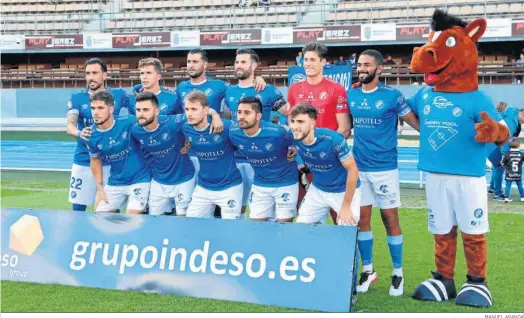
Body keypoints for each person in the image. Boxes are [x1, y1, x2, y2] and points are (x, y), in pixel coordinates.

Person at [348, 49, 420, 297]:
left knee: (390, 220)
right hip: (360, 168)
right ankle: (368, 270)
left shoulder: (392, 96)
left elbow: (416, 123)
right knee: (362, 220)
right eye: (359, 65)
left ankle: (398, 273)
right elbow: (344, 129)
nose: (362, 69)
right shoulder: (352, 95)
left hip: (385, 169)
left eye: (367, 65)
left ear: (379, 68)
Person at [130, 91, 223, 216]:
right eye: (138, 110)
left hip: (183, 179)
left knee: (183, 219)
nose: (141, 114)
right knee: (153, 219)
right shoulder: (135, 130)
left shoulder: (173, 122)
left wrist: (215, 115)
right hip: (158, 180)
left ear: (157, 111)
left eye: (146, 110)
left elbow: (199, 112)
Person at [224, 48, 289, 216]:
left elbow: (289, 114)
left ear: (254, 66)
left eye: (243, 62)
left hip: (265, 160)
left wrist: (290, 141)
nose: (238, 65)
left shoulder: (267, 90)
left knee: (264, 212)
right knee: (237, 208)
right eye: (237, 62)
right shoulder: (229, 90)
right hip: (237, 159)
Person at [65, 58, 130, 212]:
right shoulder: (77, 98)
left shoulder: (119, 94)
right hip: (83, 159)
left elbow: (138, 112)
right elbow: (70, 125)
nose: (91, 77)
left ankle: (111, 235)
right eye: (88, 73)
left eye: (95, 73)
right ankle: (78, 234)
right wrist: (79, 133)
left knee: (110, 206)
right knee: (78, 206)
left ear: (104, 75)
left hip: (110, 160)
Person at [289, 103, 360, 226]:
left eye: (300, 122)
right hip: (318, 189)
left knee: (346, 233)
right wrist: (291, 151)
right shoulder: (293, 137)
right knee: (301, 228)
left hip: (343, 191)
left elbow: (353, 170)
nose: (295, 126)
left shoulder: (334, 140)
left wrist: (346, 207)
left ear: (312, 123)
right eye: (293, 121)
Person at [229, 97, 298, 222]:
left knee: (283, 228)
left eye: (247, 113)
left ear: (258, 116)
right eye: (239, 112)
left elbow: (300, 140)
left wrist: (294, 147)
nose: (241, 116)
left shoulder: (277, 132)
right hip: (260, 184)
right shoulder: (234, 132)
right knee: (257, 227)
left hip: (285, 183)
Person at [86, 91, 151, 214]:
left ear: (111, 109)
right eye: (93, 108)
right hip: (115, 182)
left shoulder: (129, 122)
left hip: (140, 179)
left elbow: (154, 124)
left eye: (100, 108)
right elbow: (95, 160)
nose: (95, 112)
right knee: (99, 215)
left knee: (131, 217)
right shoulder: (90, 135)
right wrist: (100, 190)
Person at [182, 91, 244, 219]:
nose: (189, 113)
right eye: (187, 109)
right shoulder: (186, 126)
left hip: (229, 187)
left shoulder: (225, 126)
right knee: (190, 224)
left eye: (194, 109)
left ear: (205, 110)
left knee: (231, 229)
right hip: (203, 187)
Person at [287, 42, 351, 138]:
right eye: (306, 60)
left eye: (312, 60)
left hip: (327, 149)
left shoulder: (337, 89)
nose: (308, 64)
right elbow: (291, 122)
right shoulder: (294, 88)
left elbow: (344, 129)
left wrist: (325, 147)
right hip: (302, 150)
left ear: (323, 62)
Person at [501, 137, 524, 202]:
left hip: (509, 173)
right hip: (518, 173)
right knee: (520, 185)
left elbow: (502, 163)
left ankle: (506, 197)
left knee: (508, 186)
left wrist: (505, 165)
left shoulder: (507, 153)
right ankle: (522, 197)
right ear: (519, 145)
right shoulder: (521, 154)